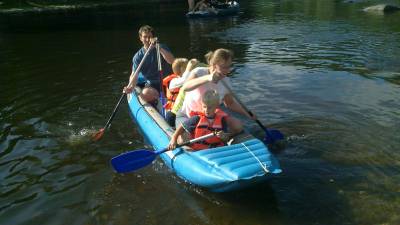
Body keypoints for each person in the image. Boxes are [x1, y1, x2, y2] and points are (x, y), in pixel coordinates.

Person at [175, 48, 255, 135]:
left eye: (229, 66)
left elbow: (230, 103)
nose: (228, 70)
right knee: (182, 139)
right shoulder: (199, 72)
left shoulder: (226, 81)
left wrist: (248, 113)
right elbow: (185, 87)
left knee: (237, 126)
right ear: (213, 65)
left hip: (211, 116)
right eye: (224, 67)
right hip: (188, 115)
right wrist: (207, 78)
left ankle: (226, 137)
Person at [123, 25, 175, 105]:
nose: (147, 39)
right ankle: (159, 103)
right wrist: (130, 87)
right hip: (153, 84)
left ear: (154, 38)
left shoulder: (162, 47)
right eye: (145, 37)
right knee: (145, 93)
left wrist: (159, 48)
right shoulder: (138, 56)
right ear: (140, 38)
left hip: (168, 82)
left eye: (150, 37)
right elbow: (134, 74)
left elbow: (171, 61)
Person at [164, 58, 200, 127]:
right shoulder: (173, 82)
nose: (191, 68)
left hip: (186, 111)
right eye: (187, 67)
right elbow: (184, 80)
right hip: (173, 113)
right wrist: (189, 69)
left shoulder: (192, 78)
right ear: (181, 69)